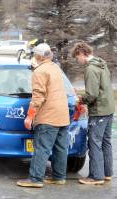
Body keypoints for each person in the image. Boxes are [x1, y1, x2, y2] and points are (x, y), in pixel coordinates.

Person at [17, 43, 70, 188]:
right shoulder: (55, 68)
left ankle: (35, 179)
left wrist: (29, 116)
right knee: (60, 148)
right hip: (62, 115)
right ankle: (59, 177)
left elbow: (38, 97)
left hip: (48, 116)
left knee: (42, 148)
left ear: (38, 56)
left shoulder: (39, 72)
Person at [71, 42, 115, 185]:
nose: (78, 61)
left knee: (95, 142)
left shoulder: (90, 69)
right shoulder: (102, 64)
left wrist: (81, 99)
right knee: (105, 142)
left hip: (99, 111)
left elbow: (92, 94)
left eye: (77, 57)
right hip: (109, 108)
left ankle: (96, 177)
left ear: (82, 53)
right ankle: (107, 173)